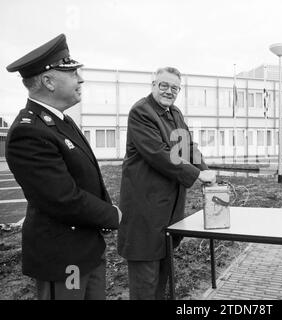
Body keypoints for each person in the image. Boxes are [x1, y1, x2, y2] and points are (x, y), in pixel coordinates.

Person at [5, 34, 122, 300]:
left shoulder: (61, 121)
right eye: (71, 72)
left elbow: (88, 178)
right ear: (48, 81)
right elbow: (62, 199)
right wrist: (112, 214)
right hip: (63, 257)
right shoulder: (30, 131)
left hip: (87, 249)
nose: (80, 79)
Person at [118, 67, 216, 300]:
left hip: (168, 210)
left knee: (163, 277)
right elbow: (159, 154)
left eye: (174, 88)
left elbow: (188, 148)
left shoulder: (175, 113)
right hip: (145, 211)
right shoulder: (141, 112)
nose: (168, 91)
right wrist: (196, 175)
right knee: (146, 279)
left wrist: (206, 169)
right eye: (163, 85)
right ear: (153, 85)